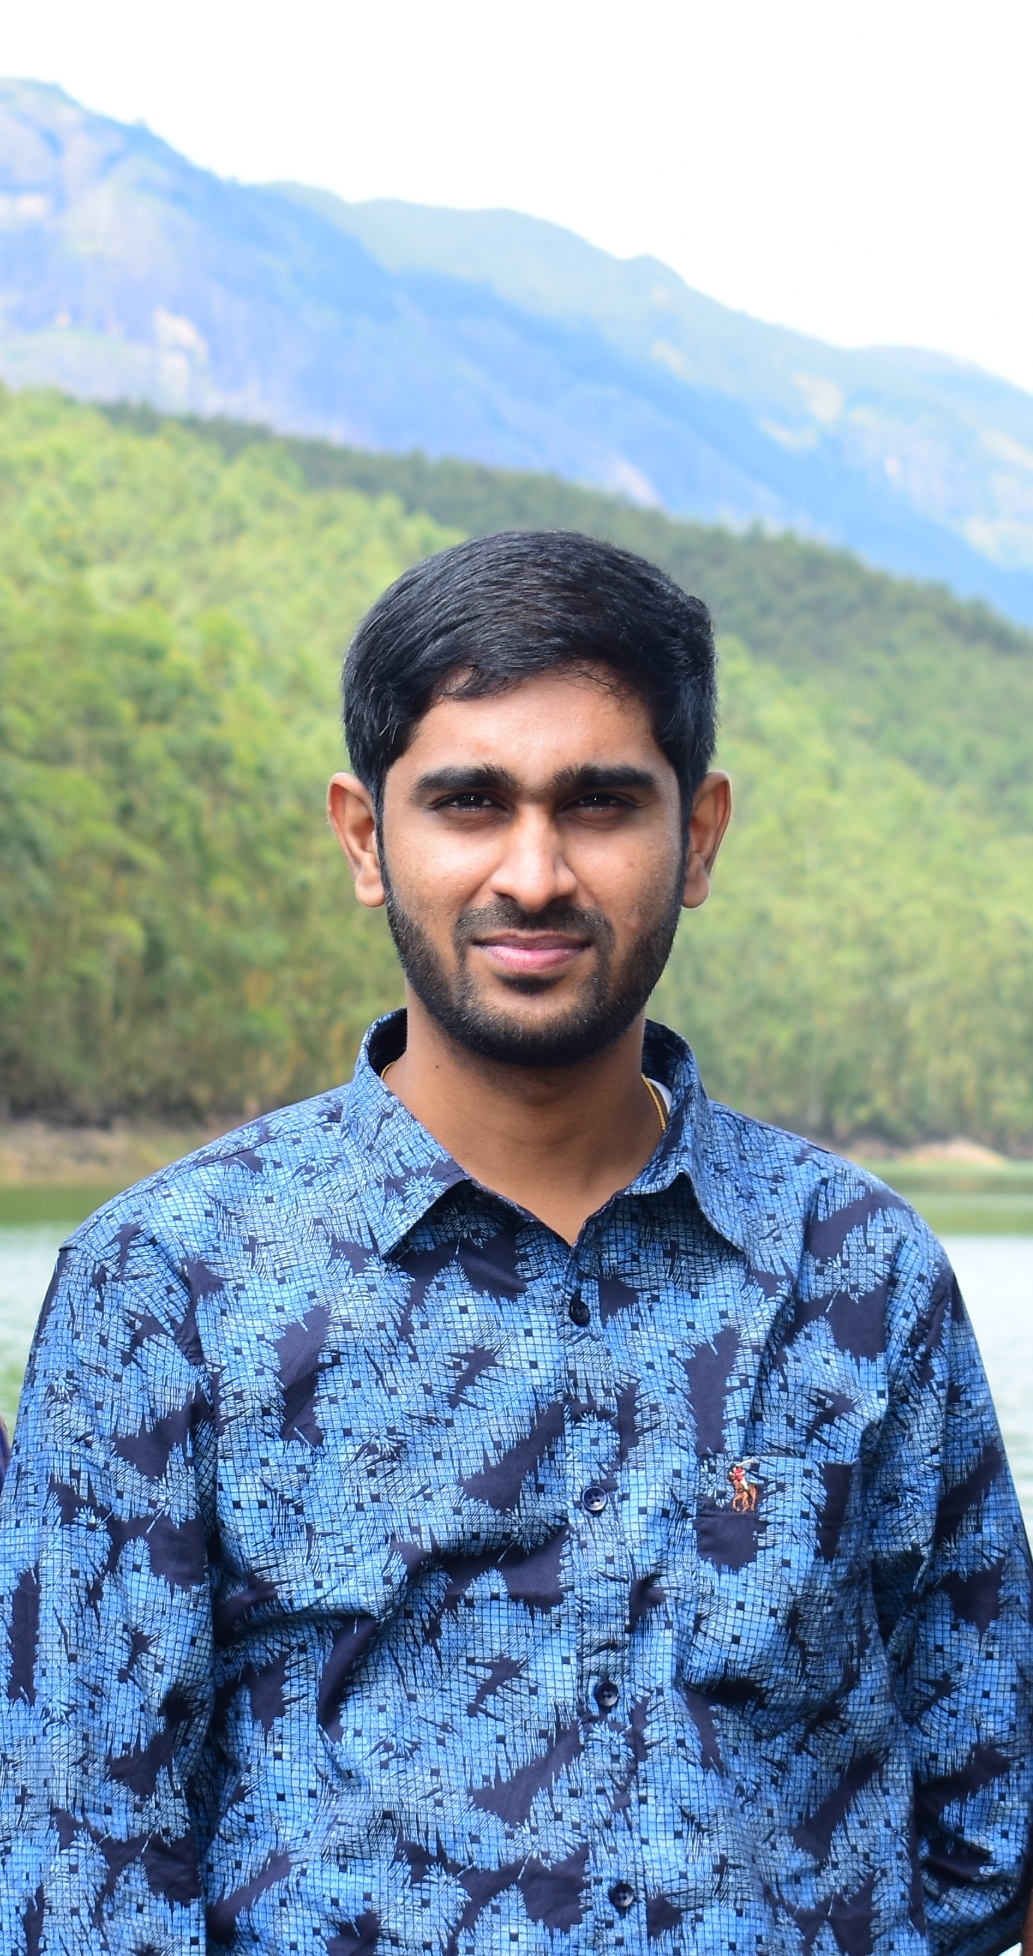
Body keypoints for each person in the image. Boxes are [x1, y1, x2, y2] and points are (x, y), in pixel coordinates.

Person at [0, 530, 1030, 1956]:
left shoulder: (858, 1272)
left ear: (699, 834)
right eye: (468, 802)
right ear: (366, 839)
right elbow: (80, 1865)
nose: (534, 874)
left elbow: (985, 1817)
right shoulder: (166, 1286)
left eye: (601, 803)